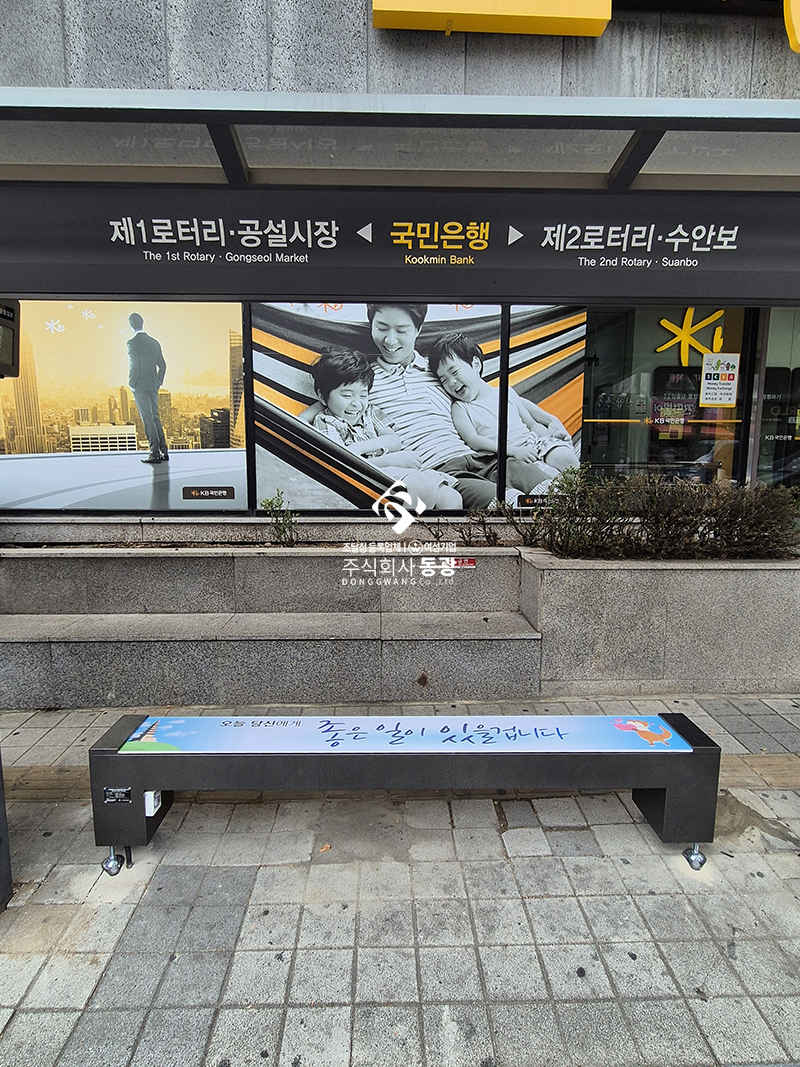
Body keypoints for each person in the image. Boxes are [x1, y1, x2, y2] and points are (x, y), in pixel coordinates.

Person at [300, 303, 499, 508]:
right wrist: (299, 421)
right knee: (508, 502)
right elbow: (332, 400)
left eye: (401, 330)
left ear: (418, 330)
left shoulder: (441, 371)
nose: (390, 340)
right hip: (436, 474)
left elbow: (479, 394)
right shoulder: (363, 380)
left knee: (518, 490)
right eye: (381, 328)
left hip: (480, 459)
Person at [428, 332, 580, 494]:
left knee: (566, 459)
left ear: (476, 365)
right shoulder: (461, 408)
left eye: (454, 372)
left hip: (534, 444)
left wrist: (550, 435)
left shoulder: (505, 393)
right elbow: (473, 440)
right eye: (444, 379)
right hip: (509, 459)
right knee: (549, 481)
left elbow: (532, 424)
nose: (451, 382)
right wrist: (513, 451)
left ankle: (578, 496)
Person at [310, 347, 462, 509]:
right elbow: (341, 462)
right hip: (371, 479)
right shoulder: (326, 421)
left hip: (398, 473)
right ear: (322, 397)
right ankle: (406, 525)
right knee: (422, 485)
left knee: (451, 497)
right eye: (347, 395)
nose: (356, 403)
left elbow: (393, 441)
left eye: (363, 395)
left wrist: (358, 447)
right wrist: (390, 460)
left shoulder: (370, 412)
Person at [127, 312, 168, 464]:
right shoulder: (154, 342)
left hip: (140, 386)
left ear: (131, 325)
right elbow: (163, 365)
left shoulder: (132, 343)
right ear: (142, 323)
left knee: (148, 419)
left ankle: (154, 453)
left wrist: (132, 383)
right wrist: (158, 382)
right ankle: (164, 451)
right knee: (155, 418)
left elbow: (134, 366)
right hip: (152, 385)